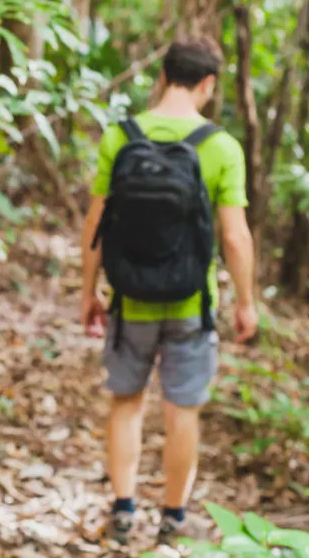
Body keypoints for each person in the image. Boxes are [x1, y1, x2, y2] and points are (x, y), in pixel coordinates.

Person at [80, 36, 258, 546]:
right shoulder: (222, 147)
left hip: (129, 296)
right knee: (182, 409)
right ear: (208, 84)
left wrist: (88, 292)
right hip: (191, 303)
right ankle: (173, 520)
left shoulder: (121, 136)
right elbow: (236, 235)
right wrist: (246, 303)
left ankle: (122, 510)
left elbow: (96, 221)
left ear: (162, 76)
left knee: (127, 401)